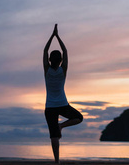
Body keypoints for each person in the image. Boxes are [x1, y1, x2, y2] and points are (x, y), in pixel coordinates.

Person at [44, 24, 83, 163]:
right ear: (60, 61)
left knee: (54, 136)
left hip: (50, 107)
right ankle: (62, 126)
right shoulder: (63, 70)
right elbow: (65, 51)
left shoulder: (47, 70)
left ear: (49, 60)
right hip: (62, 105)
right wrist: (58, 36)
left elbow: (45, 50)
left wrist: (52, 36)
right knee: (79, 117)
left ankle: (57, 162)